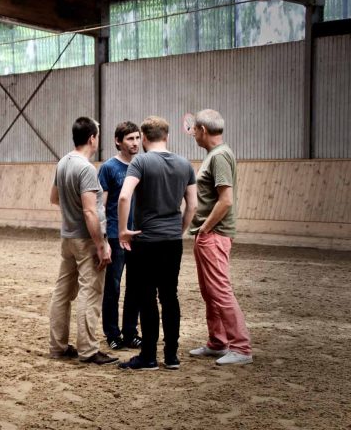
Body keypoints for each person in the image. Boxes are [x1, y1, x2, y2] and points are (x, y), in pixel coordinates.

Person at [117, 116, 197, 371]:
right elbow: (192, 205)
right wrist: (180, 229)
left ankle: (148, 356)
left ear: (144, 137)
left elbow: (124, 196)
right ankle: (172, 356)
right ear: (167, 136)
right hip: (172, 241)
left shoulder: (140, 162)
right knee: (170, 296)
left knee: (146, 297)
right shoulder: (185, 164)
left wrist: (123, 231)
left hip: (146, 240)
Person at [48, 117, 117, 365]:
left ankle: (57, 346)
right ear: (92, 138)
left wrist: (71, 210)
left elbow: (54, 198)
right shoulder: (86, 169)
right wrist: (100, 244)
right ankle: (88, 350)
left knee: (62, 292)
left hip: (67, 238)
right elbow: (90, 211)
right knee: (90, 292)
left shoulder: (63, 162)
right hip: (86, 239)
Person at [188, 109, 253, 366]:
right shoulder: (215, 155)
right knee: (210, 291)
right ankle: (218, 342)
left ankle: (241, 347)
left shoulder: (220, 157)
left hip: (214, 235)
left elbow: (225, 200)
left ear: (203, 130)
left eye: (195, 130)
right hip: (210, 234)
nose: (192, 133)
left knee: (220, 291)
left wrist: (205, 228)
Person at [98, 121, 142, 351]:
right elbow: (102, 206)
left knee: (134, 287)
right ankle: (112, 334)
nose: (135, 143)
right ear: (118, 141)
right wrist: (103, 238)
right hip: (116, 236)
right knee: (113, 288)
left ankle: (130, 333)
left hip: (137, 237)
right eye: (130, 139)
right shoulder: (109, 168)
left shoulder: (142, 166)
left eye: (137, 138)